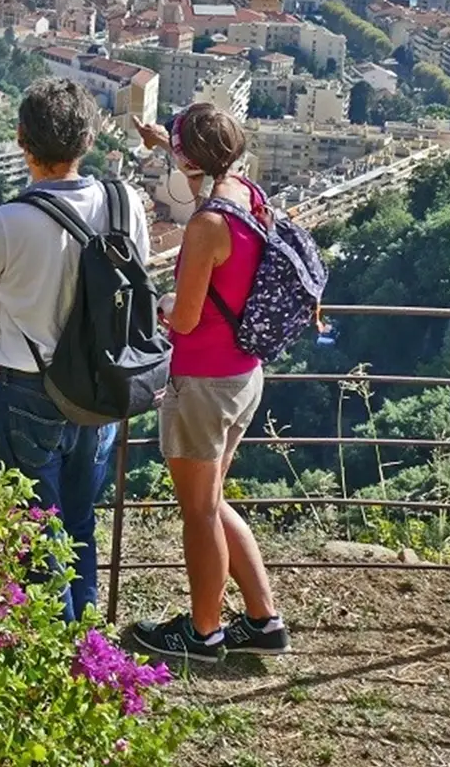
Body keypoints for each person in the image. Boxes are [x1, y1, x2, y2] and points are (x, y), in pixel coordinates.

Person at [0, 78, 148, 621]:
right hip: (101, 382)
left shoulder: (8, 222)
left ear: (22, 140)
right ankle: (89, 641)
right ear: (88, 139)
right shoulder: (124, 202)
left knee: (37, 527)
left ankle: (58, 650)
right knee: (81, 520)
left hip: (29, 389)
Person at [124, 103, 290, 662]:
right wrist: (163, 147)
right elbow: (219, 235)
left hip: (203, 382)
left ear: (189, 156)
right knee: (213, 500)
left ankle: (203, 633)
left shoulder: (204, 226)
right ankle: (264, 622)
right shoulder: (247, 197)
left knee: (197, 511)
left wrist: (163, 301)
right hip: (244, 374)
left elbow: (186, 317)